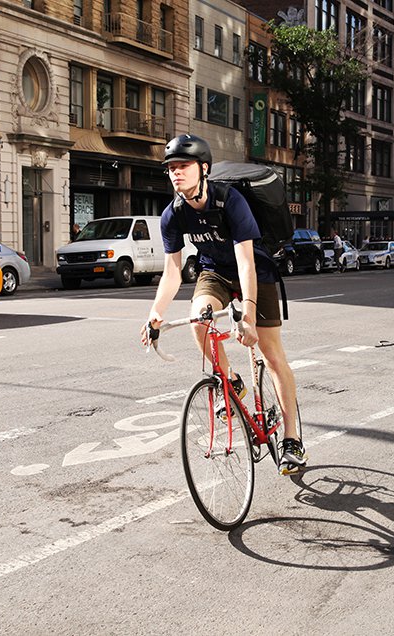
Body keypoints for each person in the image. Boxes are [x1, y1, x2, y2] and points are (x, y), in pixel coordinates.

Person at [139, 134, 306, 475]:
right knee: (198, 321)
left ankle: (292, 441)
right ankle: (231, 381)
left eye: (183, 166)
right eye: (171, 167)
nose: (176, 173)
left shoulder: (229, 202)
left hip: (255, 271)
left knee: (272, 355)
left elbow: (246, 262)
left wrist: (246, 312)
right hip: (213, 271)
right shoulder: (174, 213)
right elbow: (172, 271)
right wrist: (155, 315)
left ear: (203, 169)